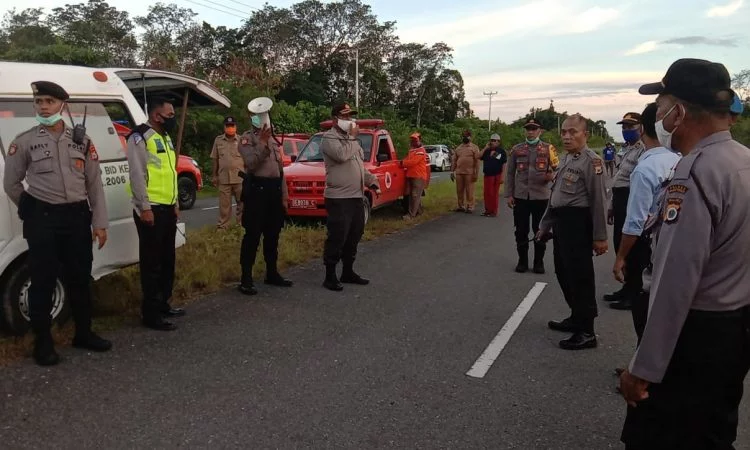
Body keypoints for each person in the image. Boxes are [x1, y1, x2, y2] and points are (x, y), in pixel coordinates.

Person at [619, 58, 750, 450]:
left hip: (694, 337)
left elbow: (675, 282)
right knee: (712, 433)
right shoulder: (743, 162)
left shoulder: (694, 173)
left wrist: (643, 368)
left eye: (662, 104)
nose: (657, 115)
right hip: (734, 330)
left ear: (680, 110)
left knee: (659, 437)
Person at [3, 81, 111, 365]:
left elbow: (94, 184)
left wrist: (100, 223)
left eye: (49, 102)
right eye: (39, 102)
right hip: (44, 220)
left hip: (76, 218)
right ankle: (44, 343)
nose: (43, 107)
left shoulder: (82, 141)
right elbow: (12, 183)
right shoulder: (24, 141)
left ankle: (84, 333)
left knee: (79, 277)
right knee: (42, 281)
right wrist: (30, 208)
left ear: (62, 105)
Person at [611, 102, 680, 345]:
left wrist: (620, 257)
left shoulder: (646, 166)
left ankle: (642, 370)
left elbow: (636, 221)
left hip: (650, 238)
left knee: (644, 309)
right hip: (671, 240)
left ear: (642, 129)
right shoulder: (679, 159)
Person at [537, 114, 608, 350]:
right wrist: (545, 225)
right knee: (563, 271)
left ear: (585, 135)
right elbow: (555, 197)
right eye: (564, 132)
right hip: (562, 222)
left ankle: (587, 331)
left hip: (579, 223)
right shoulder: (566, 159)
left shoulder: (592, 161)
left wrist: (600, 237)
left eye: (573, 132)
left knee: (580, 277)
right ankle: (576, 316)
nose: (567, 136)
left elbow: (599, 201)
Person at [127, 96, 185, 332]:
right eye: (170, 115)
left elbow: (170, 173)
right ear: (155, 115)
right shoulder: (140, 137)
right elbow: (137, 175)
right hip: (150, 210)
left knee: (167, 260)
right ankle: (150, 314)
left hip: (167, 207)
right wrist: (145, 207)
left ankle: (163, 303)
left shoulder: (165, 136)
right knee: (152, 264)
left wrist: (175, 202)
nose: (173, 119)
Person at [320, 103, 382, 292]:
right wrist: (354, 139)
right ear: (335, 119)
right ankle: (330, 276)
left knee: (354, 235)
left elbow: (359, 166)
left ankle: (348, 271)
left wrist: (371, 180)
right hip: (339, 197)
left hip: (356, 196)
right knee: (337, 237)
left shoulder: (350, 140)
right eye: (344, 116)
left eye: (350, 116)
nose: (348, 120)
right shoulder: (329, 138)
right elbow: (341, 156)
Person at [236, 115, 293, 295]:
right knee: (252, 235)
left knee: (273, 234)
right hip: (256, 191)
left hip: (274, 191)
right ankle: (246, 278)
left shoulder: (275, 141)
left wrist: (284, 195)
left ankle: (272, 272)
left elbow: (280, 170)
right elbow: (251, 164)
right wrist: (262, 142)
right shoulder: (247, 139)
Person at [603, 112, 646, 309]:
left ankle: (634, 292)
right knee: (619, 242)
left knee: (632, 247)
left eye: (631, 127)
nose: (626, 130)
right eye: (624, 127)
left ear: (641, 127)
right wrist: (612, 205)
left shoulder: (643, 150)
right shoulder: (627, 149)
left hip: (631, 198)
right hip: (620, 199)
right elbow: (618, 177)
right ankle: (626, 287)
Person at [505, 118, 559, 274]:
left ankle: (538, 262)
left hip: (541, 196)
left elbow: (558, 169)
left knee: (540, 230)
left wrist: (551, 176)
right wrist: (509, 194)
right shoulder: (517, 149)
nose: (530, 131)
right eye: (528, 129)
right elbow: (510, 173)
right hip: (521, 196)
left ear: (539, 131)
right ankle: (522, 261)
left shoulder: (549, 149)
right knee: (521, 230)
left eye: (534, 129)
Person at [210, 116, 244, 230]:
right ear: (224, 127)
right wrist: (214, 175)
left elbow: (248, 158)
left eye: (232, 126)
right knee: (224, 205)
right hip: (224, 178)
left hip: (240, 178)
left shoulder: (241, 140)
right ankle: (223, 226)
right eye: (228, 126)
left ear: (236, 127)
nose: (230, 128)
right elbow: (215, 158)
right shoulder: (218, 140)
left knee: (242, 203)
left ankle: (241, 225)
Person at [450, 129, 480, 213]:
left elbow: (477, 161)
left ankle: (470, 206)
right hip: (459, 172)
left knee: (469, 190)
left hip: (469, 172)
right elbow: (454, 160)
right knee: (459, 190)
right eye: (464, 136)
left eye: (467, 136)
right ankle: (461, 206)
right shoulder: (458, 148)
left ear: (470, 137)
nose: (465, 137)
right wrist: (452, 172)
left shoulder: (474, 147)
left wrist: (476, 173)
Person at [401, 132, 428, 220]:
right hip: (411, 175)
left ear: (420, 140)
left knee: (415, 195)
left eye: (415, 140)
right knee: (412, 195)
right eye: (412, 140)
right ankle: (419, 212)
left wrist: (402, 163)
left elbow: (413, 162)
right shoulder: (412, 150)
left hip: (418, 176)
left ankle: (411, 215)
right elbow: (407, 159)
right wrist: (400, 162)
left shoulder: (420, 151)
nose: (413, 142)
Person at [479, 133, 507, 217]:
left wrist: (503, 176)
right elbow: (478, 156)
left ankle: (493, 211)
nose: (493, 142)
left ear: (499, 142)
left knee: (494, 194)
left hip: (496, 174)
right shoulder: (487, 150)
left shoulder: (501, 151)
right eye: (492, 140)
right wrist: (485, 148)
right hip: (487, 174)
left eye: (495, 141)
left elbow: (504, 163)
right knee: (487, 193)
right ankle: (487, 210)